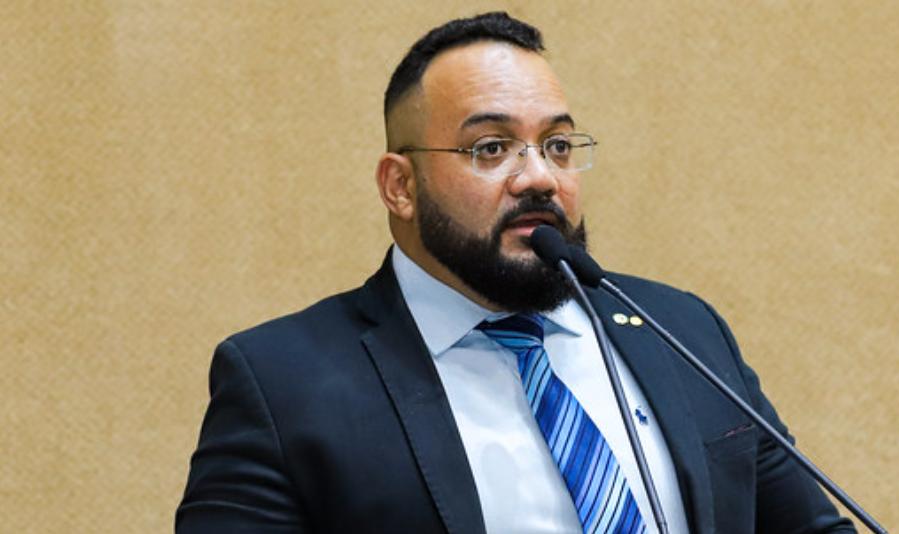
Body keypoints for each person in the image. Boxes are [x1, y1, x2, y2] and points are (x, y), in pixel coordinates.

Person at [177, 12, 855, 534]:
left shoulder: (679, 329)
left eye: (557, 145)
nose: (539, 178)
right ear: (400, 186)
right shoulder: (282, 384)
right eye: (491, 147)